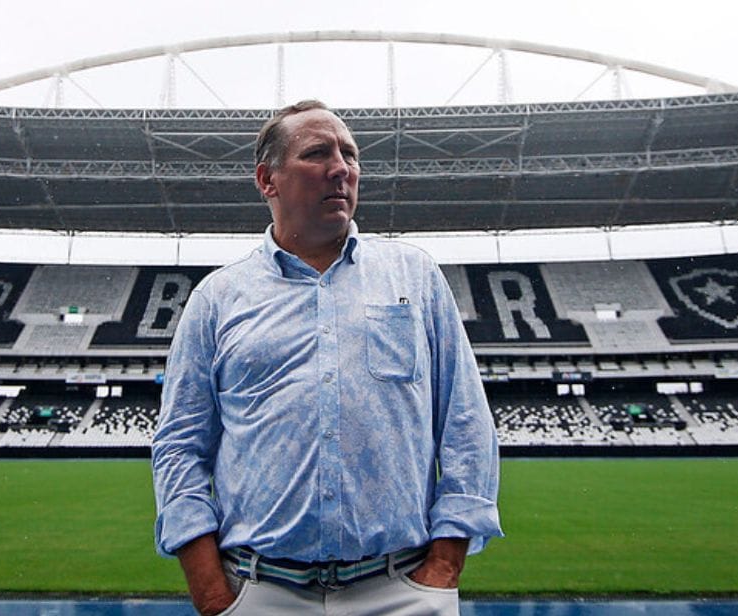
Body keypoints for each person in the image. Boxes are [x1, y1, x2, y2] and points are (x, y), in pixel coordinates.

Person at [152, 100, 501, 616]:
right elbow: (180, 445)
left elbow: (465, 422)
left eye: (350, 154)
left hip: (402, 588)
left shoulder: (415, 277)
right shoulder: (217, 298)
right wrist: (213, 595)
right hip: (258, 592)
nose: (341, 168)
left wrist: (443, 567)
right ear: (267, 180)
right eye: (317, 153)